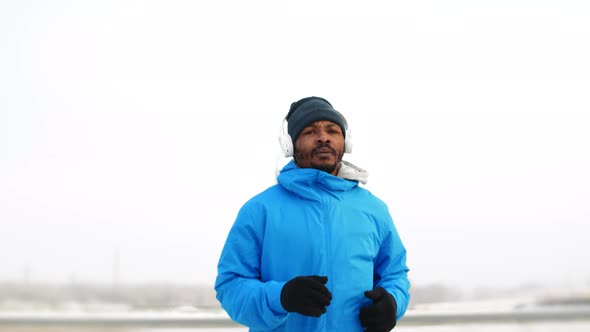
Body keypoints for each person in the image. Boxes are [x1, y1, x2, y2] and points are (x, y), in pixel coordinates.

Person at [215, 96, 410, 331]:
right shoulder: (259, 210)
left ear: (345, 142)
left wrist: (392, 302)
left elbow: (395, 274)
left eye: (332, 130)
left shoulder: (374, 209)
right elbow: (230, 285)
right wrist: (281, 297)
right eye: (310, 131)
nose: (323, 137)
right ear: (290, 144)